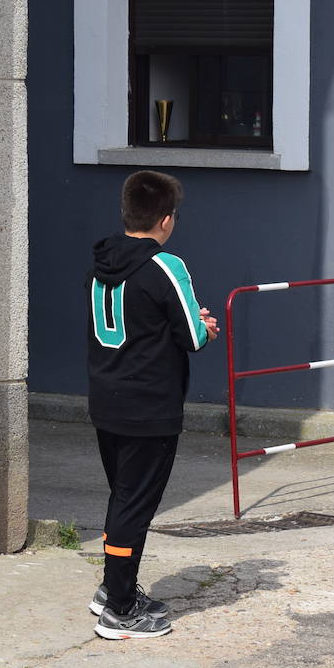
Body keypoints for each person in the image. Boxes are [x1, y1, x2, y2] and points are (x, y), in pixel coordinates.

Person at [85, 170, 218, 640]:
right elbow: (191, 336)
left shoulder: (101, 262)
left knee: (123, 497)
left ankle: (112, 587)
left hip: (107, 396)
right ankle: (120, 611)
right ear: (166, 219)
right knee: (135, 505)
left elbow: (145, 322)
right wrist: (204, 327)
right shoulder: (166, 265)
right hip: (150, 404)